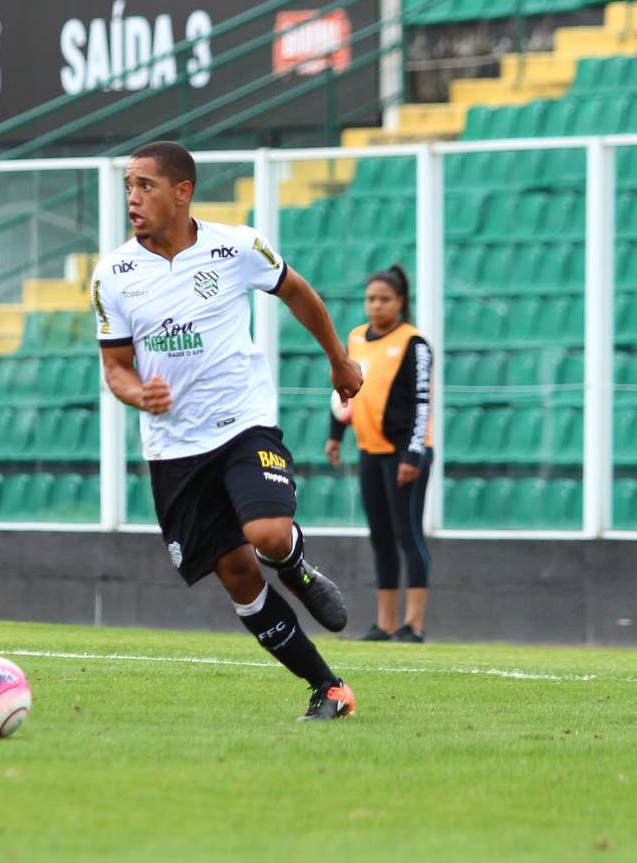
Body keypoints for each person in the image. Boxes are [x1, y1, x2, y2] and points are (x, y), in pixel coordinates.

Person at [93, 141, 364, 720]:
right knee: (238, 576)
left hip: (243, 423)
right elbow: (114, 367)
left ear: (182, 191)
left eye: (145, 186)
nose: (133, 199)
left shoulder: (235, 245)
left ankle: (293, 562)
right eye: (128, 187)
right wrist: (139, 392)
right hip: (173, 448)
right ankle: (329, 688)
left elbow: (297, 291)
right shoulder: (112, 275)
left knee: (266, 534)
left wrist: (338, 360)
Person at [325, 265, 434, 643]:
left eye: (384, 299)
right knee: (381, 536)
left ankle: (414, 624)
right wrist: (335, 434)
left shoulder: (414, 343)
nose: (375, 306)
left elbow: (422, 402)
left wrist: (413, 455)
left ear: (400, 302)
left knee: (408, 534)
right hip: (369, 449)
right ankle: (386, 623)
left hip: (404, 453)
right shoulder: (356, 339)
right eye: (371, 299)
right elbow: (344, 391)